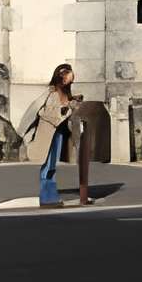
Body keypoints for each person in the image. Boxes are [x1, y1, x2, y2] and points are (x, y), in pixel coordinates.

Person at [35, 63, 80, 208]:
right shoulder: (51, 93)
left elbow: (65, 113)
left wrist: (73, 104)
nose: (70, 82)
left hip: (59, 132)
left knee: (52, 165)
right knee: (47, 165)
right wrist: (64, 110)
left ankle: (51, 196)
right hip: (48, 132)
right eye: (69, 79)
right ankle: (46, 197)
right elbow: (43, 112)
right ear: (61, 77)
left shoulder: (66, 93)